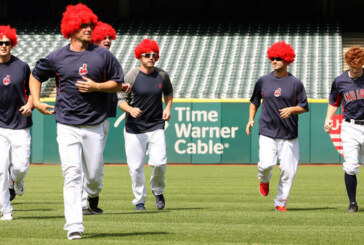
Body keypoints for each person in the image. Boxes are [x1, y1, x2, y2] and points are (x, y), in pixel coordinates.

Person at [29, 4, 126, 240]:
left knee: (93, 175)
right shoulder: (58, 57)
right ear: (71, 28)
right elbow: (35, 75)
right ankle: (74, 225)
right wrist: (37, 100)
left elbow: (118, 82)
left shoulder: (103, 55)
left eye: (90, 25)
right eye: (83, 25)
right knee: (71, 173)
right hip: (66, 124)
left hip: (94, 125)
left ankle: (93, 194)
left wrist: (97, 86)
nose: (88, 29)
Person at [246, 41, 309, 211]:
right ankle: (264, 180)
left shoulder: (296, 83)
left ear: (287, 60)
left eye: (278, 58)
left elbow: (304, 106)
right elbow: (254, 102)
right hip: (267, 131)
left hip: (289, 134)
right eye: (272, 58)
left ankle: (280, 202)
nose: (274, 61)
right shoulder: (263, 80)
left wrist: (292, 109)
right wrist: (251, 119)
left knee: (288, 172)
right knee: (266, 165)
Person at [81, 21, 130, 215]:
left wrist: (120, 86)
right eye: (104, 37)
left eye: (110, 37)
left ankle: (91, 196)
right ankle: (83, 203)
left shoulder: (110, 59)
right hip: (84, 118)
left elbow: (114, 83)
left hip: (102, 118)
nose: (108, 40)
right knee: (79, 164)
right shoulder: (89, 59)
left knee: (95, 164)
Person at [118, 38, 173, 211]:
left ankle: (158, 191)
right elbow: (120, 100)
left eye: (154, 55)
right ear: (139, 57)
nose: (151, 57)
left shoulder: (162, 75)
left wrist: (168, 107)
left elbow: (169, 93)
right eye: (147, 54)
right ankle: (139, 200)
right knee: (135, 167)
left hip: (156, 125)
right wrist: (130, 109)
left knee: (159, 162)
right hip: (134, 128)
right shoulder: (131, 76)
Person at [324, 46, 364, 213]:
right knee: (350, 166)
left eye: (358, 67)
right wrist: (328, 119)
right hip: (350, 127)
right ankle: (353, 203)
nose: (354, 70)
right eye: (351, 67)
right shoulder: (340, 80)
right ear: (347, 63)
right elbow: (334, 102)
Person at [0, 25, 33, 221]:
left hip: (20, 123)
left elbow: (33, 90)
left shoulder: (22, 66)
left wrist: (30, 104)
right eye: (0, 43)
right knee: (0, 169)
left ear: (12, 44)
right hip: (0, 126)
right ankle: (6, 210)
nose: (3, 46)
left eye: (7, 42)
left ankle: (17, 179)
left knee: (20, 167)